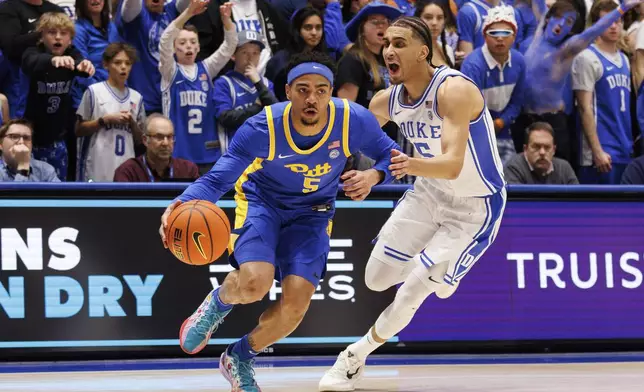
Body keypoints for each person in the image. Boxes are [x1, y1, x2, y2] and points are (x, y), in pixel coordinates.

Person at [158, 51, 400, 392]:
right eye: (302, 89)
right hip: (262, 203)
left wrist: (374, 175)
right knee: (255, 283)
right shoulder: (263, 126)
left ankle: (239, 356)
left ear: (331, 91)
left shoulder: (352, 120)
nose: (312, 98)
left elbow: (395, 156)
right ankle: (218, 303)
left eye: (320, 89)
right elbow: (218, 179)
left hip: (313, 212)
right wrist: (181, 203)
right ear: (287, 91)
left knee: (295, 309)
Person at [319, 16, 506, 391]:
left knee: (412, 291)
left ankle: (354, 357)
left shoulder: (453, 90)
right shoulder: (385, 100)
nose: (389, 49)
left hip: (474, 207)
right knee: (376, 279)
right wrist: (365, 172)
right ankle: (437, 271)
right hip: (428, 194)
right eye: (386, 42)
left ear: (424, 52)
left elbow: (452, 165)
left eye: (400, 43)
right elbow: (348, 138)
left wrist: (402, 165)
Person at [159, 0, 237, 175]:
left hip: (208, 150)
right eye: (183, 42)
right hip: (179, 152)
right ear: (174, 47)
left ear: (199, 46)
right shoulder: (169, 71)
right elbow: (164, 40)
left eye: (193, 42)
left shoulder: (206, 69)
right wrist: (188, 13)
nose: (189, 46)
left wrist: (226, 21)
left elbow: (229, 47)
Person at [21, 11, 94, 181]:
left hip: (57, 140)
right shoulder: (31, 52)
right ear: (41, 37)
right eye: (52, 32)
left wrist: (85, 65)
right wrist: (52, 61)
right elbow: (31, 62)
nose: (58, 38)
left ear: (70, 39)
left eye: (63, 33)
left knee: (57, 189)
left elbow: (80, 64)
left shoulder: (72, 53)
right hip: (29, 138)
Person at [573, 0, 633, 185]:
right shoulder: (587, 58)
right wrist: (597, 151)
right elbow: (585, 108)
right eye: (607, 21)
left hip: (624, 146)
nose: (614, 26)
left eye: (617, 21)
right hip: (601, 152)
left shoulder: (624, 59)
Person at [75, 42, 145, 182]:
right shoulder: (94, 92)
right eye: (118, 63)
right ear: (106, 65)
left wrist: (132, 124)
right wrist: (103, 120)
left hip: (126, 167)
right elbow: (78, 130)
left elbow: (142, 141)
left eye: (128, 63)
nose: (123, 67)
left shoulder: (137, 98)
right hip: (96, 165)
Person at [213, 30, 277, 156]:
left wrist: (258, 83)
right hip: (234, 154)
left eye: (255, 53)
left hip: (263, 154)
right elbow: (226, 119)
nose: (250, 57)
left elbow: (276, 115)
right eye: (244, 52)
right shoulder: (223, 83)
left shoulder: (266, 83)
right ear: (233, 55)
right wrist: (257, 107)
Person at [113, 114, 199, 182]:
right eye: (159, 137)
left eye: (169, 137)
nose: (165, 143)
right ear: (145, 140)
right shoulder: (128, 171)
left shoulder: (188, 170)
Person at [504, 121, 579, 184]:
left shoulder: (564, 168)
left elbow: (578, 200)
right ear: (525, 149)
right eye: (536, 147)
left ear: (554, 150)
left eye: (547, 147)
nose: (542, 152)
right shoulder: (513, 168)